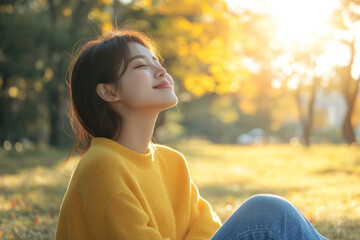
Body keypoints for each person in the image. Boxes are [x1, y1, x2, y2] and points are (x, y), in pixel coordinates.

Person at [55, 30, 328, 240]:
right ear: (109, 92)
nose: (161, 71)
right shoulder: (101, 166)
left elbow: (207, 227)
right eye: (141, 66)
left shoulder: (172, 162)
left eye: (157, 62)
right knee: (266, 214)